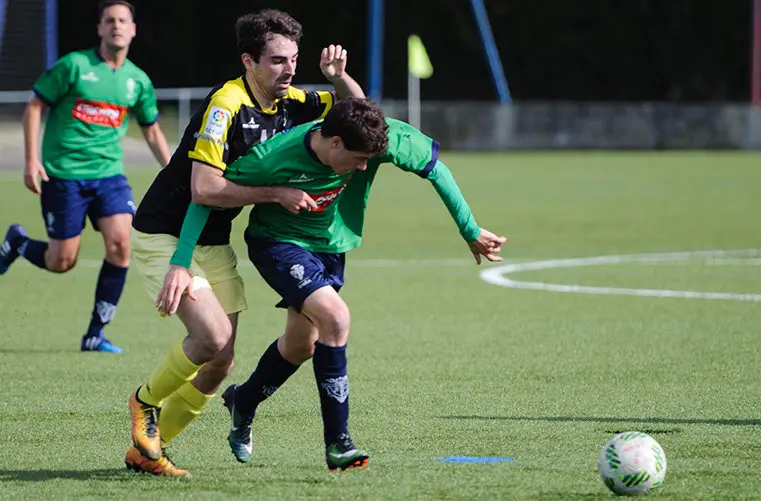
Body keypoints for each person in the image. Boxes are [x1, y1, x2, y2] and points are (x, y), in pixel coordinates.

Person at [157, 97, 507, 471]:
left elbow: (436, 169)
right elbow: (208, 195)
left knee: (301, 345)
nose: (364, 167)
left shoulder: (374, 138)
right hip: (279, 243)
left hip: (330, 247)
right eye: (358, 159)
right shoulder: (272, 157)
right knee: (336, 318)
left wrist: (470, 229)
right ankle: (339, 443)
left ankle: (243, 401)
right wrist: (180, 262)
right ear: (335, 142)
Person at [124, 8, 365, 478]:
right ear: (248, 61)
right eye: (277, 60)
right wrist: (276, 193)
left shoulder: (291, 100)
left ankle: (148, 452)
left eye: (293, 59)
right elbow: (204, 189)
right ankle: (144, 402)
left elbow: (359, 117)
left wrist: (338, 77)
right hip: (165, 232)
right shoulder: (226, 105)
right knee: (210, 336)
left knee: (221, 362)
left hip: (213, 240)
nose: (289, 69)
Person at [0, 0, 171, 354]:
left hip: (109, 176)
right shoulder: (74, 66)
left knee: (121, 244)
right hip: (64, 176)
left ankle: (95, 334)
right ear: (99, 28)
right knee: (62, 261)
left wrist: (173, 173)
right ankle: (17, 243)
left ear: (133, 29)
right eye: (109, 20)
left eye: (123, 20)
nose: (116, 25)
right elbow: (35, 106)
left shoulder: (137, 81)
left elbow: (152, 130)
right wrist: (31, 160)